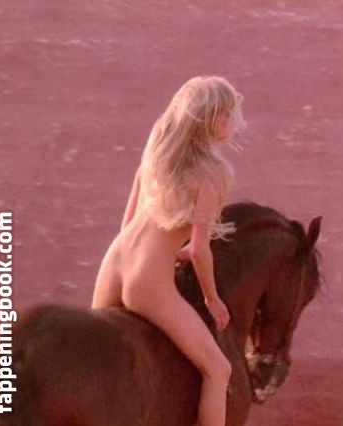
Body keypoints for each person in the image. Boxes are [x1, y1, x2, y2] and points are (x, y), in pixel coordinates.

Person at [91, 76, 245, 426]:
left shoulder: (155, 156)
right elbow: (200, 250)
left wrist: (170, 255)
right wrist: (212, 299)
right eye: (225, 115)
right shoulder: (213, 174)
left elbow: (128, 226)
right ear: (208, 118)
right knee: (218, 369)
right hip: (147, 281)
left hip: (113, 262)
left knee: (99, 360)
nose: (231, 122)